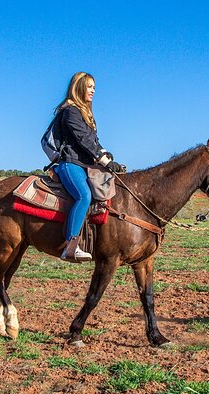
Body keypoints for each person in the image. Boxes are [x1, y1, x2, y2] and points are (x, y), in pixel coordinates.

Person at [52, 72, 125, 262]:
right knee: (84, 195)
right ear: (79, 87)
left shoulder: (85, 113)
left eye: (94, 87)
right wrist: (104, 160)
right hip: (70, 163)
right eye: (90, 86)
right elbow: (84, 140)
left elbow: (93, 140)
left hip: (84, 164)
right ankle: (71, 245)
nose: (93, 90)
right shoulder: (70, 111)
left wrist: (106, 153)